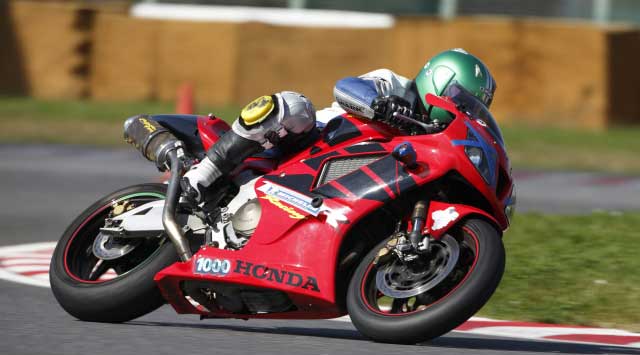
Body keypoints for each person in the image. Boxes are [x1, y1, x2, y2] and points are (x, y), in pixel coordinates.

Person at [139, 48, 497, 203]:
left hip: (338, 186)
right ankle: (202, 176)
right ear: (441, 80)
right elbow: (345, 87)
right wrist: (382, 106)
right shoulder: (395, 85)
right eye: (461, 99)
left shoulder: (434, 139)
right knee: (295, 106)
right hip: (311, 143)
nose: (461, 110)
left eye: (471, 108)